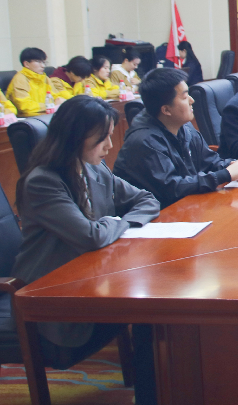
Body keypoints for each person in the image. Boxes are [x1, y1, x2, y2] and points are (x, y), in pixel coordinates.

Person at [11, 95, 160, 405]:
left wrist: (117, 223)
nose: (109, 145)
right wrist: (114, 224)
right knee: (151, 317)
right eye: (102, 138)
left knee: (156, 311)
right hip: (52, 293)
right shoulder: (43, 182)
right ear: (75, 138)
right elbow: (91, 237)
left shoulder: (94, 168)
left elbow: (147, 199)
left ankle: (155, 394)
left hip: (93, 279)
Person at [114, 68, 238, 209]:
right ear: (166, 110)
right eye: (185, 97)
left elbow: (209, 161)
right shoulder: (144, 141)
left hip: (185, 208)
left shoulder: (184, 126)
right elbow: (173, 188)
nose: (192, 100)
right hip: (154, 215)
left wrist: (231, 164)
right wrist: (225, 175)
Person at [7, 47, 52, 116]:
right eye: (38, 62)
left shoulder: (45, 78)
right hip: (27, 117)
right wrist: (49, 106)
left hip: (44, 114)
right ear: (26, 64)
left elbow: (56, 97)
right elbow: (25, 106)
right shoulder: (20, 79)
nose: (43, 66)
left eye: (44, 62)